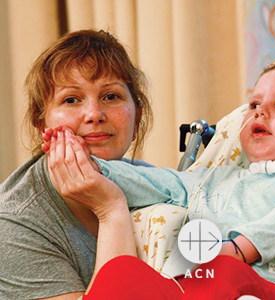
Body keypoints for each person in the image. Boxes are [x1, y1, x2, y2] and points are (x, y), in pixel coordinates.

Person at [43, 53, 275, 299]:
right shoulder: (216, 178)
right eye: (254, 104)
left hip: (261, 287)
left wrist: (239, 249)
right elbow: (159, 182)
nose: (260, 112)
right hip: (195, 287)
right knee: (120, 272)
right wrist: (88, 164)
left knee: (222, 272)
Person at [0, 29, 153, 299]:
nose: (94, 114)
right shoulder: (11, 227)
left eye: (111, 96)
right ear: (41, 124)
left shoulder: (151, 183)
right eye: (71, 100)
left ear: (137, 116)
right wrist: (110, 210)